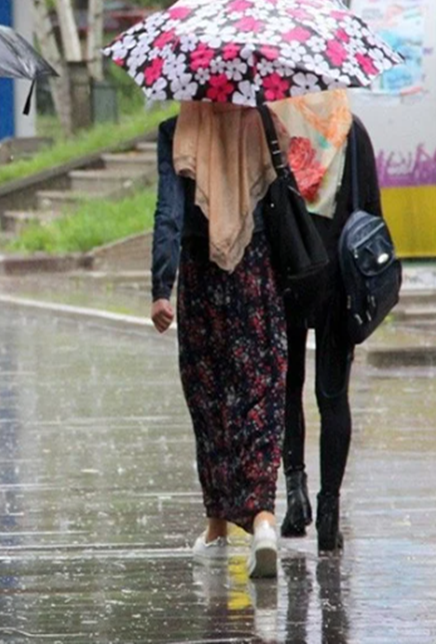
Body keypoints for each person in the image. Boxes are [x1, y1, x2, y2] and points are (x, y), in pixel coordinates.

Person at [150, 102, 287, 579]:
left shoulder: (177, 130)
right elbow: (283, 199)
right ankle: (264, 520)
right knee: (260, 394)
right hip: (255, 274)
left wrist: (159, 289)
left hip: (200, 279)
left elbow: (168, 211)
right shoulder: (263, 123)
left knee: (209, 401)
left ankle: (217, 529)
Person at [277, 92, 383, 553]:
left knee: (287, 387)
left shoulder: (276, 129)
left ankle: (295, 495)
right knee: (332, 396)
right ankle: (329, 513)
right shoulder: (352, 130)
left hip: (287, 273)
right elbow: (373, 214)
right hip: (339, 278)